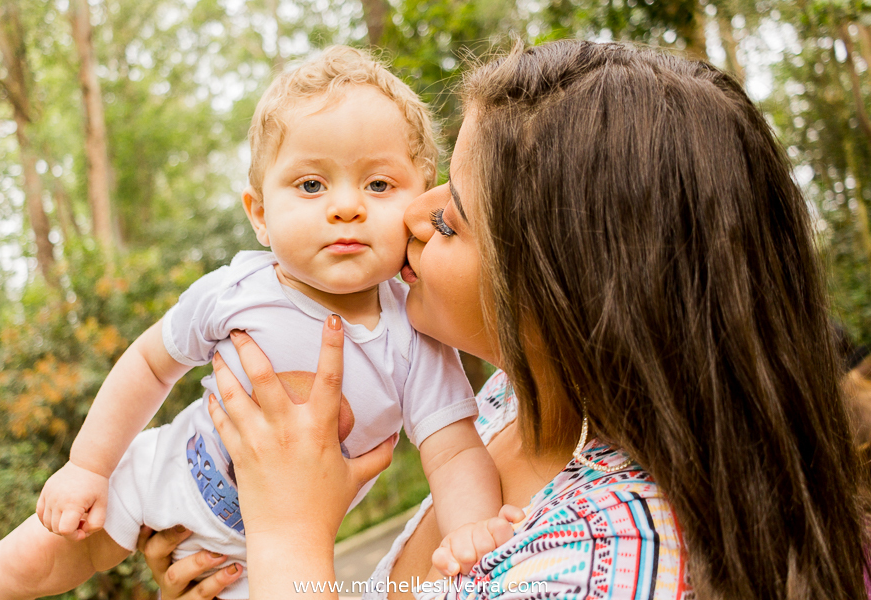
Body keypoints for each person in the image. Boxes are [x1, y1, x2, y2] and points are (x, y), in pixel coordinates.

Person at [143, 39, 870, 600]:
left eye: (453, 219)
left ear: (568, 290)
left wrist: (290, 534)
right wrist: (251, 564)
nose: (412, 213)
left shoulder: (610, 557)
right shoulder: (508, 404)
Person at [0, 46, 501, 600]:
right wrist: (88, 466)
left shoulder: (413, 337)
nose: (347, 207)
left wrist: (471, 530)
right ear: (260, 215)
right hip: (161, 476)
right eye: (312, 185)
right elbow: (151, 364)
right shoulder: (238, 289)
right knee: (35, 559)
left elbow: (455, 451)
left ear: (423, 199)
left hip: (258, 562)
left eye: (378, 185)